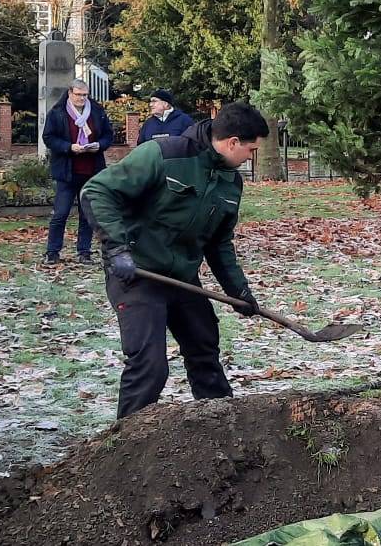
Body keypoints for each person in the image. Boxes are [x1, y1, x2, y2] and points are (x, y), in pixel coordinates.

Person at [81, 101, 269, 419]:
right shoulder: (164, 154)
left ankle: (221, 427)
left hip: (181, 277)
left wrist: (239, 292)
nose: (251, 157)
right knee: (149, 367)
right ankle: (127, 447)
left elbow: (219, 242)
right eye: (251, 149)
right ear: (233, 142)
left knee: (204, 345)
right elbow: (97, 190)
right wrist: (116, 248)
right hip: (137, 273)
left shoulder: (230, 182)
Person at [41, 80, 115, 263]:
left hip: (91, 171)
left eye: (85, 95)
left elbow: (108, 135)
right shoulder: (57, 113)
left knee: (87, 215)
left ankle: (84, 251)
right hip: (67, 172)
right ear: (70, 93)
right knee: (60, 213)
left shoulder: (97, 112)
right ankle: (52, 252)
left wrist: (99, 145)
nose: (82, 98)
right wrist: (68, 147)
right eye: (78, 94)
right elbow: (48, 138)